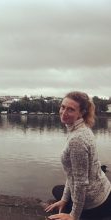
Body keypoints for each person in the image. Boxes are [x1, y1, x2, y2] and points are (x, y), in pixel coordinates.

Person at [45, 91, 111, 220]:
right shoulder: (82, 128)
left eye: (70, 109)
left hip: (93, 202)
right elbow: (72, 175)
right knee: (59, 191)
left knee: (57, 191)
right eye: (63, 107)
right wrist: (64, 200)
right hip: (103, 190)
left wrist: (73, 215)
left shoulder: (77, 140)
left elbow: (80, 182)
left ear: (81, 113)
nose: (64, 113)